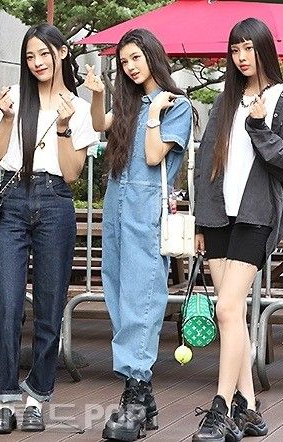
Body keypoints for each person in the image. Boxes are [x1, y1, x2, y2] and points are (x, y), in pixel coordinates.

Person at [192, 18, 283, 442]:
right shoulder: (226, 101)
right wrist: (201, 221)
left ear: (264, 50)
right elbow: (207, 165)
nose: (241, 57)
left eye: (248, 49)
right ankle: (251, 410)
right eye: (235, 49)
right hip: (220, 217)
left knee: (226, 309)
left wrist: (259, 127)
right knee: (232, 313)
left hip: (258, 216)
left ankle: (220, 408)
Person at [0, 23, 98, 434]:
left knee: (49, 305)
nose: (37, 63)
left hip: (54, 200)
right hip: (13, 199)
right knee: (4, 304)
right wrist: (6, 119)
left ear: (62, 53)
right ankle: (6, 398)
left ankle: (37, 398)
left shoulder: (79, 107)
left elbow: (70, 173)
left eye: (44, 54)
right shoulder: (12, 97)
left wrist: (65, 128)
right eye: (30, 56)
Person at [84, 28, 192, 441]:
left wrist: (151, 115)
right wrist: (97, 92)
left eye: (136, 57)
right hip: (116, 205)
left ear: (152, 55)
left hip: (147, 210)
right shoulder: (127, 103)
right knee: (116, 293)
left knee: (142, 298)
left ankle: (133, 393)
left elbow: (152, 156)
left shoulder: (174, 105)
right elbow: (98, 124)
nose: (130, 66)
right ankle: (143, 396)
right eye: (124, 60)